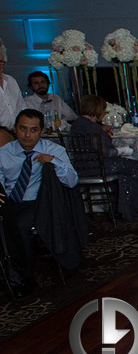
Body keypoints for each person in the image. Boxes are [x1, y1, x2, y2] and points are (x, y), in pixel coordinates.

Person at [1, 109, 80, 291]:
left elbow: (71, 181)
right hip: (10, 201)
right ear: (15, 129)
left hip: (40, 201)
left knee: (19, 226)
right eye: (22, 129)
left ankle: (22, 276)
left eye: (33, 130)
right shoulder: (4, 153)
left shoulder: (54, 150)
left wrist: (54, 162)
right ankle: (8, 271)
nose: (27, 135)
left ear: (42, 131)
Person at [69, 94, 138, 221]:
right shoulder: (92, 127)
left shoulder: (77, 124)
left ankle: (129, 208)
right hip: (99, 166)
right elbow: (104, 152)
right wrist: (124, 150)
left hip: (81, 167)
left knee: (127, 172)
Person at [0, 41, 22, 137]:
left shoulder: (11, 81)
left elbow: (21, 107)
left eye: (2, 62)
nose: (1, 64)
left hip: (15, 134)